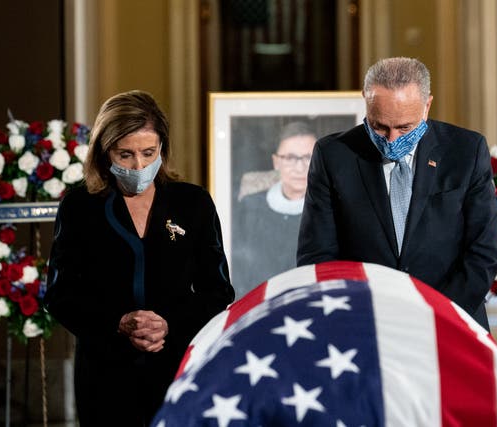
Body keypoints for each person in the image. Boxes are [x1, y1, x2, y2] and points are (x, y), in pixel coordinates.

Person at [43, 90, 234, 426]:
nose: (139, 166)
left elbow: (218, 292)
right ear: (105, 153)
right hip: (105, 373)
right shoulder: (79, 208)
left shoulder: (193, 203)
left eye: (149, 153)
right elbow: (61, 296)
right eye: (126, 154)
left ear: (163, 148)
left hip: (179, 367)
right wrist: (119, 322)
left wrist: (168, 324)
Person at [297, 57, 497, 329]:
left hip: (451, 322)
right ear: (365, 102)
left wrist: (430, 318)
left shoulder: (466, 151)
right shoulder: (333, 155)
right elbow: (317, 256)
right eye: (379, 126)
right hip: (362, 324)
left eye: (405, 127)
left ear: (427, 106)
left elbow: (482, 254)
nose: (392, 139)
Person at [231, 121, 316, 297]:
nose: (300, 168)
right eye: (291, 158)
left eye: (309, 157)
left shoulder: (331, 210)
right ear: (276, 162)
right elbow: (237, 272)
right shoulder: (249, 208)